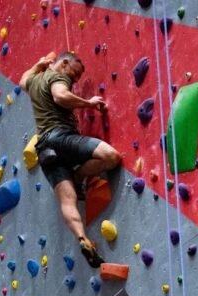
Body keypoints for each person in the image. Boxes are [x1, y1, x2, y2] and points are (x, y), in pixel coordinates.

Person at [19, 52, 121, 268]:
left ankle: (83, 239)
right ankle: (80, 174)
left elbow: (22, 80)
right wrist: (89, 103)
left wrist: (38, 64)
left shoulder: (35, 80)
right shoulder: (57, 77)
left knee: (67, 200)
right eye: (75, 73)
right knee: (111, 157)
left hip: (44, 150)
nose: (75, 80)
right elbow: (60, 96)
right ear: (64, 63)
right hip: (60, 137)